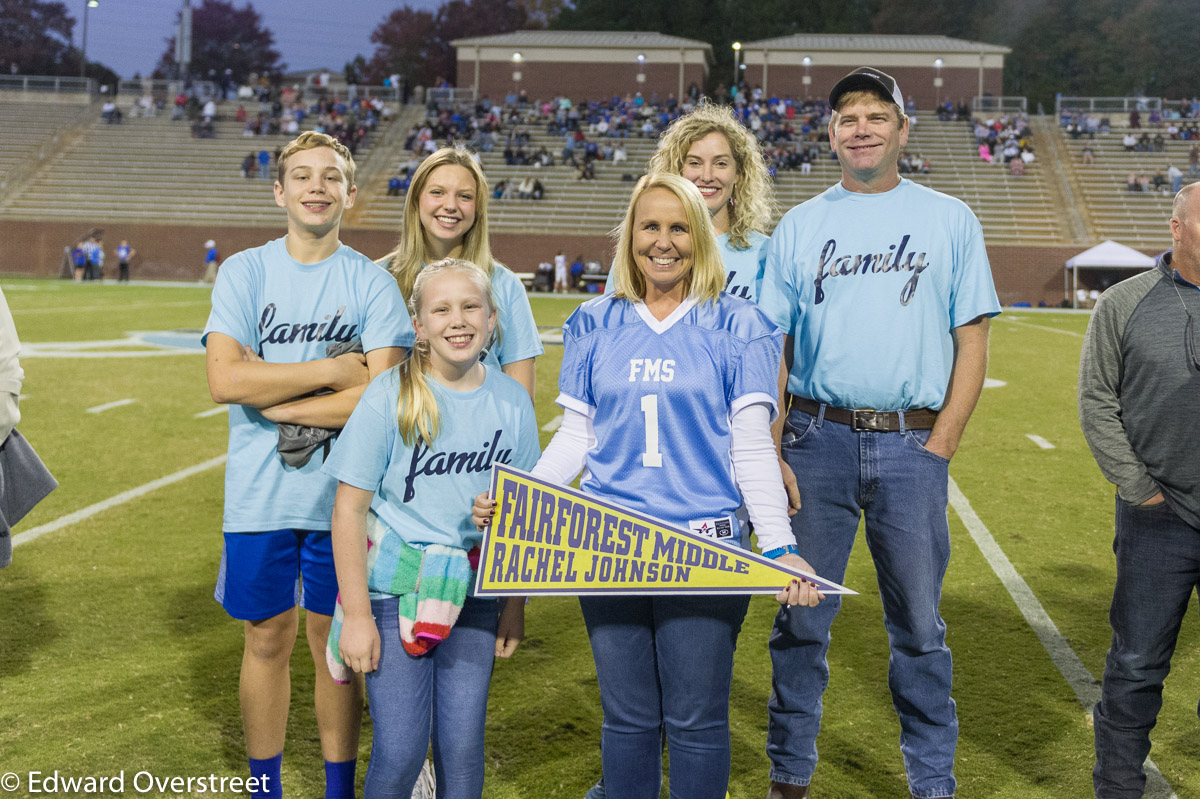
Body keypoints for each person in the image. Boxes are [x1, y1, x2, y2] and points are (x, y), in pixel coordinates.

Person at [479, 173, 822, 799]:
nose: (663, 242)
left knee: (695, 722)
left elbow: (750, 446)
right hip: (608, 542)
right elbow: (577, 439)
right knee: (628, 721)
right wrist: (521, 497)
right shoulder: (593, 321)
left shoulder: (740, 323)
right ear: (629, 236)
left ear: (700, 236)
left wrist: (777, 544)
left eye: (678, 227)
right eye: (649, 227)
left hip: (703, 546)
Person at [759, 67, 1000, 799]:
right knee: (800, 619)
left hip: (910, 446)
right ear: (829, 134)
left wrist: (943, 443)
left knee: (920, 629)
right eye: (846, 117)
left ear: (903, 128)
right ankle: (790, 774)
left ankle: (933, 781)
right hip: (815, 439)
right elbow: (777, 346)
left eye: (875, 115)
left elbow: (973, 337)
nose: (860, 127)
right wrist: (773, 443)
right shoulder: (800, 225)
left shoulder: (949, 217)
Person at [203, 131, 413, 799]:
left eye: (330, 177)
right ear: (280, 190)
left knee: (335, 643)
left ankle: (336, 789)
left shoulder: (371, 281)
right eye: (302, 176)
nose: (316, 187)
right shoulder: (244, 270)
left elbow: (384, 396)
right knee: (265, 637)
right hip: (259, 496)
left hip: (344, 498)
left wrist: (275, 395)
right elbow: (224, 381)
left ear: (351, 193)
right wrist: (330, 371)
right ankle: (264, 787)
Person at [324, 258, 538, 798]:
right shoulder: (389, 394)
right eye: (441, 309)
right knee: (399, 750)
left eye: (471, 307)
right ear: (418, 326)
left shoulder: (512, 400)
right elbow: (348, 509)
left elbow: (526, 516)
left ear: (492, 319)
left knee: (462, 751)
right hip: (394, 591)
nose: (457, 320)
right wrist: (354, 615)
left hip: (475, 593)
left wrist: (514, 602)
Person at [1079, 182, 1200, 799]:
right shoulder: (1125, 302)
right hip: (1160, 518)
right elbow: (1097, 402)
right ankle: (1118, 788)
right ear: (1176, 228)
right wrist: (1140, 488)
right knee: (1136, 666)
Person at [381, 146, 542, 401]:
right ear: (416, 199)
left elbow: (521, 400)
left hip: (482, 436)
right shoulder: (379, 278)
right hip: (402, 435)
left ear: (477, 207)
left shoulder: (505, 285)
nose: (451, 205)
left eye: (465, 196)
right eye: (437, 192)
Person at [604, 102, 775, 303]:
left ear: (738, 174)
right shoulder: (647, 251)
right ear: (677, 170)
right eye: (694, 162)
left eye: (721, 163)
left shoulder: (766, 253)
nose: (707, 176)